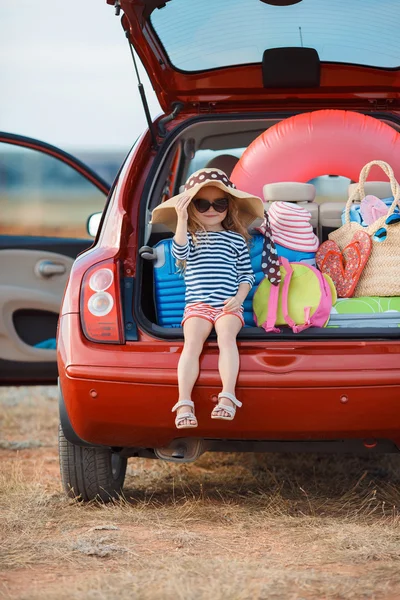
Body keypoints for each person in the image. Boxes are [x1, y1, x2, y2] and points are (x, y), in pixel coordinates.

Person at [150, 168, 264, 429]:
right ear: (191, 208)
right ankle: (184, 402)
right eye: (202, 204)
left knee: (227, 337)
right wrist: (181, 219)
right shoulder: (189, 238)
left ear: (229, 207)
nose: (211, 210)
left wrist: (239, 298)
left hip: (227, 306)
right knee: (191, 344)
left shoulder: (236, 239)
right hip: (197, 306)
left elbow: (247, 276)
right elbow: (179, 253)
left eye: (220, 203)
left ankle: (227, 397)